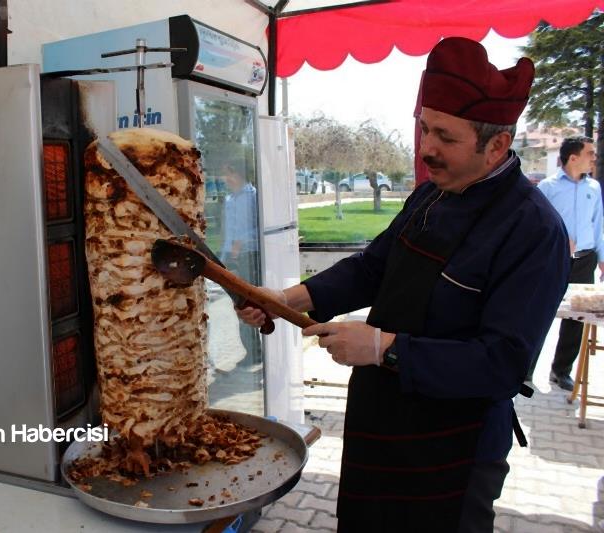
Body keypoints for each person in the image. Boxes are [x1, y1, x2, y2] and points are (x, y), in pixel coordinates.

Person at [238, 37, 570, 532]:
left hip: (452, 452)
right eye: (423, 128)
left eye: (445, 136)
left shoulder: (534, 230)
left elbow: (502, 364)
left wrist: (383, 348)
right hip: (380, 424)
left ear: (497, 144)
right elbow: (374, 268)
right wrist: (287, 299)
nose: (426, 148)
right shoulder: (430, 196)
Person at [529, 137, 601, 390]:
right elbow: (533, 224)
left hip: (584, 260)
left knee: (577, 320)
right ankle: (525, 369)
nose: (594, 157)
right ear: (573, 157)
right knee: (539, 313)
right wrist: (557, 239)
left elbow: (598, 225)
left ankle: (561, 371)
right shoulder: (547, 188)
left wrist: (602, 259)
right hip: (553, 259)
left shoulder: (594, 188)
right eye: (590, 153)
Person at [220, 161, 260, 368]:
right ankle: (252, 351)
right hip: (231, 257)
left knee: (248, 304)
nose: (225, 179)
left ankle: (256, 352)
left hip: (247, 256)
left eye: (228, 174)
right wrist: (223, 255)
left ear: (238, 174)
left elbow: (261, 229)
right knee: (238, 305)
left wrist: (242, 241)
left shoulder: (253, 197)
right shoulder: (229, 199)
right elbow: (226, 231)